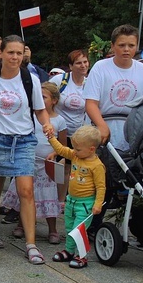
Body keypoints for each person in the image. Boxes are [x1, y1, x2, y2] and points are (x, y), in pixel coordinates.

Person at [0, 34, 53, 265]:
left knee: (26, 191)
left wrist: (46, 123)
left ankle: (31, 244)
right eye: (11, 52)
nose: (15, 57)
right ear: (2, 54)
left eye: (19, 53)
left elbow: (40, 110)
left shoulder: (31, 80)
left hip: (24, 141)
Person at [1, 82, 67, 244]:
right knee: (26, 194)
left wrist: (55, 152)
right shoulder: (30, 116)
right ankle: (22, 224)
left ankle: (52, 228)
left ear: (54, 100)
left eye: (44, 97)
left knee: (48, 195)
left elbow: (63, 146)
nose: (40, 100)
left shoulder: (59, 121)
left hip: (47, 166)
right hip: (28, 161)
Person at [84, 24, 143, 150]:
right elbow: (91, 103)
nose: (126, 49)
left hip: (131, 130)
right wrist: (102, 126)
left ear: (136, 47)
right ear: (112, 46)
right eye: (121, 45)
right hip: (102, 126)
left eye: (131, 45)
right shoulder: (100, 68)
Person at [46, 125, 106, 268]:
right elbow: (61, 149)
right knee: (69, 227)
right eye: (74, 148)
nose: (75, 151)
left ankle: (82, 256)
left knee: (79, 230)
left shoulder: (97, 166)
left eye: (78, 149)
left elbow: (101, 187)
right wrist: (51, 137)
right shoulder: (75, 155)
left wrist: (98, 204)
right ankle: (69, 250)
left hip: (85, 204)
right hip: (71, 200)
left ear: (91, 149)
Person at [48, 49, 90, 201]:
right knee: (52, 163)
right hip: (57, 131)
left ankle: (60, 200)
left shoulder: (90, 83)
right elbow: (44, 94)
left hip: (78, 133)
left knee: (67, 166)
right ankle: (45, 196)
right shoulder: (60, 81)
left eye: (85, 62)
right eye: (78, 63)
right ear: (71, 66)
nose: (83, 65)